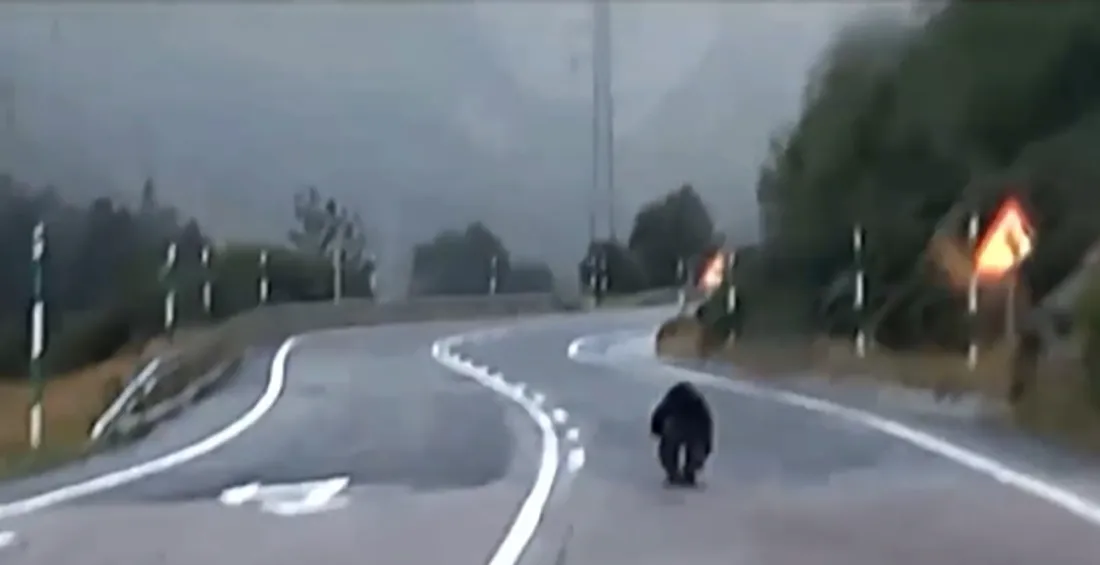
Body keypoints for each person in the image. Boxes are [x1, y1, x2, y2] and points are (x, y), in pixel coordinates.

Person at [649, 381, 714, 486]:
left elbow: (658, 415)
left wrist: (656, 430)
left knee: (669, 446)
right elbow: (707, 434)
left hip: (681, 421)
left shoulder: (672, 400)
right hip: (690, 422)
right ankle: (688, 472)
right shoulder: (700, 407)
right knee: (696, 449)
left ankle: (674, 473)